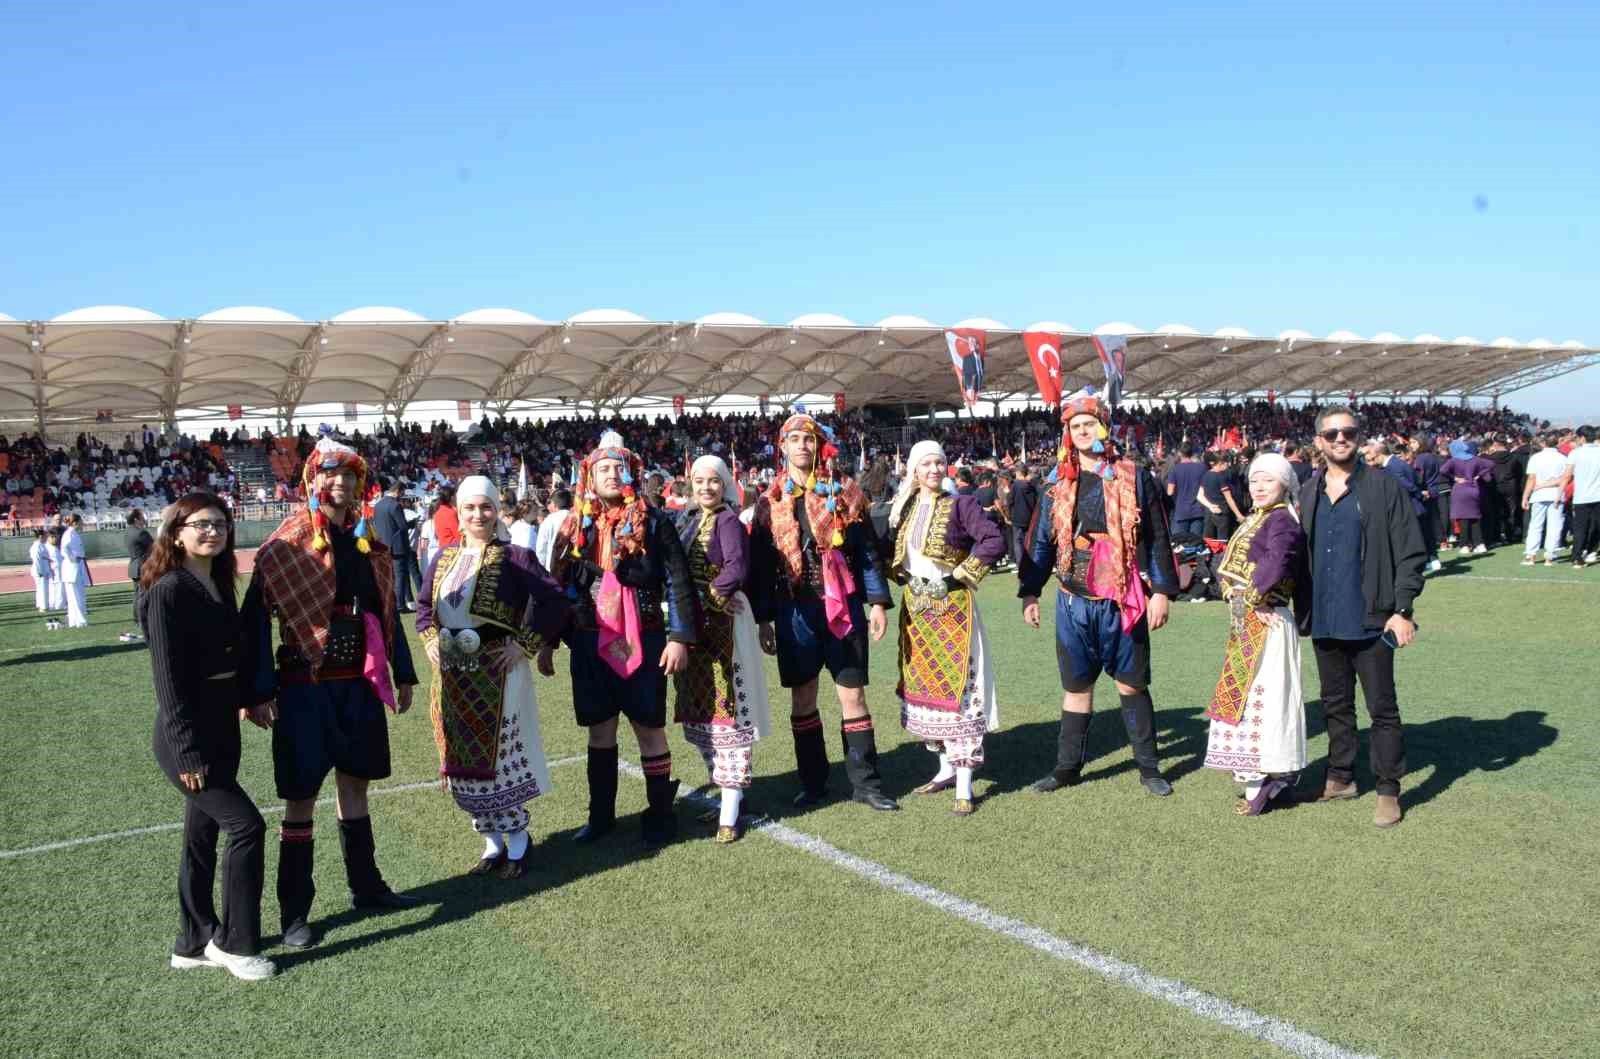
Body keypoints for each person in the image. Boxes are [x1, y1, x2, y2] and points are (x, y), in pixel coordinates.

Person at [239, 435, 420, 949]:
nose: (340, 482)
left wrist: (402, 673)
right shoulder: (286, 543)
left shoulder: (367, 541)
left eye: (350, 474)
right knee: (300, 799)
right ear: (312, 479)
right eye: (330, 472)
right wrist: (256, 691)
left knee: (356, 789)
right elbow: (255, 622)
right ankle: (294, 912)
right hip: (304, 686)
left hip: (358, 686)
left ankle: (367, 887)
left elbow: (386, 612)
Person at [1019, 388, 1180, 797]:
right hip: (1072, 598)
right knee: (1076, 687)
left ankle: (1149, 768)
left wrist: (1161, 590)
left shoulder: (1134, 476)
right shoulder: (1055, 483)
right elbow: (1041, 540)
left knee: (1131, 684)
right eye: (1075, 426)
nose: (1083, 430)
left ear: (1103, 426)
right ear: (1067, 434)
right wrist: (1030, 592)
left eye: (1089, 423)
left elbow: (1158, 535)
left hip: (1121, 596)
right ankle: (1067, 768)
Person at [141, 492, 275, 981]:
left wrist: (250, 697)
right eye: (201, 523)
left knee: (200, 836)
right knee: (246, 827)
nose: (213, 531)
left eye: (220, 523)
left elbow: (230, 655)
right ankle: (236, 945)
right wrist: (185, 750)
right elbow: (168, 681)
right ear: (177, 531)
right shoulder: (167, 590)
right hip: (189, 733)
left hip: (223, 723)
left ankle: (193, 941)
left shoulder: (218, 581)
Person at [547, 430, 697, 846]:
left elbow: (678, 581)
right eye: (604, 469)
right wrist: (547, 641)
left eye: (619, 468)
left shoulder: (655, 520)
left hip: (645, 638)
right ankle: (601, 817)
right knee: (600, 731)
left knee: (649, 728)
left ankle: (662, 817)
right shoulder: (575, 527)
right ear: (589, 478)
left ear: (632, 473)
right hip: (590, 640)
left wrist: (679, 637)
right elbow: (559, 586)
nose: (612, 475)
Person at [416, 476, 571, 877]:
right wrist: (430, 637)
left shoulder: (515, 557)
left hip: (499, 672)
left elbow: (554, 599)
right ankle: (491, 842)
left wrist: (525, 644)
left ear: (496, 511)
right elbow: (422, 608)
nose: (478, 514)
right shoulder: (444, 558)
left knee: (501, 757)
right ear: (459, 513)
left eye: (485, 507)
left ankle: (518, 842)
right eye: (469, 508)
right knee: (462, 758)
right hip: (452, 676)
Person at [750, 412, 897, 812]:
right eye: (794, 439)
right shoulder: (770, 501)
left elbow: (867, 552)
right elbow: (761, 566)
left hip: (844, 605)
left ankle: (867, 783)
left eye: (809, 439)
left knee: (853, 694)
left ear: (820, 445)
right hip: (794, 609)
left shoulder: (846, 492)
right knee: (803, 696)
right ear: (782, 447)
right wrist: (764, 618)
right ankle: (813, 784)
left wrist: (878, 601)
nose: (802, 445)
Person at [1297, 407, 1425, 829]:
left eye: (1347, 432)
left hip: (1374, 619)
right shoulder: (1308, 490)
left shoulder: (1384, 487)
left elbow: (1410, 552)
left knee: (1382, 709)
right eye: (1331, 433)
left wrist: (1403, 610)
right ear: (1318, 441)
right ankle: (1340, 776)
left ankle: (1388, 788)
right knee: (1335, 705)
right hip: (1326, 618)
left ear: (1359, 437)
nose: (1339, 439)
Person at [887, 441, 1004, 816]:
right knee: (926, 692)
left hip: (951, 608)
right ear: (914, 470)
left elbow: (992, 539)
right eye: (927, 464)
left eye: (940, 463)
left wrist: (959, 576)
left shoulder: (961, 504)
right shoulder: (905, 506)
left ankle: (966, 784)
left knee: (959, 694)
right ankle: (944, 770)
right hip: (917, 611)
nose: (935, 470)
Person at [673, 455, 771, 843]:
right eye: (699, 481)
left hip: (725, 625)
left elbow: (737, 567)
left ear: (725, 484)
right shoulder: (688, 519)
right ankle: (731, 796)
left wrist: (712, 595)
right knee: (702, 711)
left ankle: (730, 812)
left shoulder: (728, 520)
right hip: (696, 628)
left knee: (729, 712)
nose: (706, 488)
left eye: (713, 481)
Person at [1202, 455, 1308, 816]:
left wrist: (1256, 597)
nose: (1259, 487)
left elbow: (1278, 562)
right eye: (1253, 481)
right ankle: (1265, 778)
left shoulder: (1282, 520)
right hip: (1249, 620)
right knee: (1246, 697)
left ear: (1284, 484)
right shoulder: (1262, 518)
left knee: (1261, 699)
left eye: (1267, 481)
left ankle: (1262, 781)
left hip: (1266, 621)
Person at [1520, 436, 1571, 566]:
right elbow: (1566, 478)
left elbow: (1531, 479)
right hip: (1556, 494)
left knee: (1535, 525)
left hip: (1538, 494)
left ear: (1543, 443)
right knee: (1554, 526)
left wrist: (1525, 496)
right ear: (1557, 443)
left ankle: (1530, 555)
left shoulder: (1536, 458)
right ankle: (1549, 556)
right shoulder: (1563, 458)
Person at [371, 477, 419, 613]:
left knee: (389, 576)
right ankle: (400, 605)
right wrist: (412, 524)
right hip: (398, 546)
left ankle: (393, 603)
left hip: (383, 545)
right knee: (400, 577)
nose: (402, 496)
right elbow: (402, 526)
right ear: (398, 491)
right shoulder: (395, 505)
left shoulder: (378, 505)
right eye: (402, 492)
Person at [1440, 439, 1494, 554]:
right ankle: (1479, 544)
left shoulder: (1453, 460)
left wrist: (1454, 478)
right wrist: (1478, 475)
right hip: (1473, 488)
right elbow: (1491, 464)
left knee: (1463, 518)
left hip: (1459, 490)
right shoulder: (1475, 459)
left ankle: (1464, 544)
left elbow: (1442, 470)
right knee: (1475, 518)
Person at [121, 510, 156, 643]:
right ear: (136, 519)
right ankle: (142, 619)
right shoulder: (141, 532)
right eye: (142, 518)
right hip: (142, 566)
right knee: (143, 594)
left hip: (135, 566)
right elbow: (154, 547)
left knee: (138, 594)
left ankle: (138, 618)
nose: (144, 520)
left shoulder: (128, 531)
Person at [1569, 426, 1600, 568]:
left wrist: (1560, 493)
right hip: (1597, 495)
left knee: (1580, 528)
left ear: (1582, 438)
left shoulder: (1576, 453)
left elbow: (1567, 475)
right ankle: (1591, 551)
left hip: (1581, 497)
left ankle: (1577, 556)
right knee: (1596, 526)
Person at [58, 513, 92, 628]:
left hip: (76, 566)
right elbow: (64, 549)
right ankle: (80, 621)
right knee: (76, 596)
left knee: (77, 595)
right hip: (72, 567)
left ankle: (75, 621)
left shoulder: (73, 533)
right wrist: (72, 559)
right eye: (81, 521)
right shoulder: (69, 533)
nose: (83, 524)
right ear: (75, 523)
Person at [1165, 445, 1206, 537]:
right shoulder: (1202, 467)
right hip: (1198, 509)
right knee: (1196, 542)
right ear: (1192, 453)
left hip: (1181, 510)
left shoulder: (1175, 469)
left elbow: (1169, 492)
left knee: (1181, 543)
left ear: (1179, 454)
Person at [534, 489, 573, 570]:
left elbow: (541, 548)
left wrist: (541, 569)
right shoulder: (577, 518)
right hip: (574, 567)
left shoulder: (549, 520)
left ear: (554, 504)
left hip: (552, 568)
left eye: (550, 503)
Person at [29, 529, 53, 620]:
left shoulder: (41, 545)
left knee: (42, 589)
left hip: (43, 569)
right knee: (42, 589)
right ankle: (43, 607)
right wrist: (40, 572)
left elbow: (42, 556)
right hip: (40, 571)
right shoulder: (36, 546)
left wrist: (48, 559)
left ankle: (41, 605)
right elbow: (37, 560)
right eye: (45, 536)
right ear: (40, 536)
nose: (47, 537)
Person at [45, 529, 67, 625]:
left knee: (61, 588)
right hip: (53, 572)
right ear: (48, 538)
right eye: (52, 537)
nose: (55, 539)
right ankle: (54, 605)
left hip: (60, 571)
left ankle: (61, 604)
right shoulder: (46, 548)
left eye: (56, 537)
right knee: (54, 589)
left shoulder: (56, 547)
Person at [433, 485, 461, 550]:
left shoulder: (438, 511)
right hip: (452, 548)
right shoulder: (450, 512)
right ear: (451, 497)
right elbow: (458, 534)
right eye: (455, 496)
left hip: (443, 547)